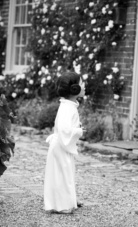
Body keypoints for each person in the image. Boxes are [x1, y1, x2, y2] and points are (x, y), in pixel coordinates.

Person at [44, 71, 86, 214]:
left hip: (62, 145)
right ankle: (62, 205)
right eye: (82, 83)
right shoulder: (68, 108)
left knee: (66, 173)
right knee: (62, 175)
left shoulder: (70, 105)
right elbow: (64, 130)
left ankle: (69, 200)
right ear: (75, 89)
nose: (84, 86)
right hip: (61, 146)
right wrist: (78, 131)